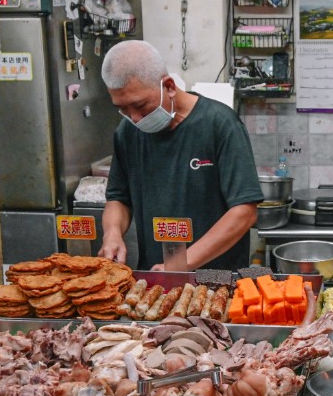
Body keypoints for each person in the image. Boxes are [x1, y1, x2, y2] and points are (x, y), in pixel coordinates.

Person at [99, 40, 263, 271]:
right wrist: (112, 233)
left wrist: (181, 263)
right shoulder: (127, 133)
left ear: (169, 86)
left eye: (140, 105)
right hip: (156, 277)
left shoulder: (220, 125)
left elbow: (244, 212)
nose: (134, 118)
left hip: (217, 282)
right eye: (123, 108)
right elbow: (118, 198)